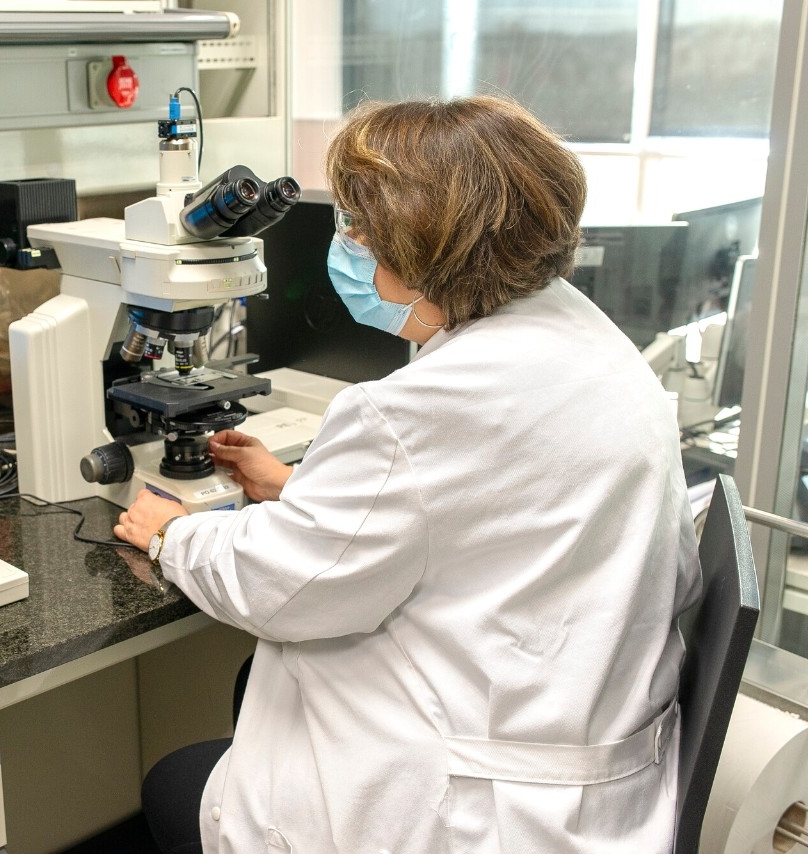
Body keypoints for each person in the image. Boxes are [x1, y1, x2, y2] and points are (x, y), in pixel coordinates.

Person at [114, 95, 702, 853]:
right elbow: (501, 511)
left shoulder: (419, 410)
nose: (349, 243)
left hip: (461, 811)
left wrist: (175, 534)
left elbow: (280, 589)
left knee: (174, 779)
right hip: (592, 781)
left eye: (361, 228)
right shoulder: (590, 342)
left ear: (434, 247)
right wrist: (305, 494)